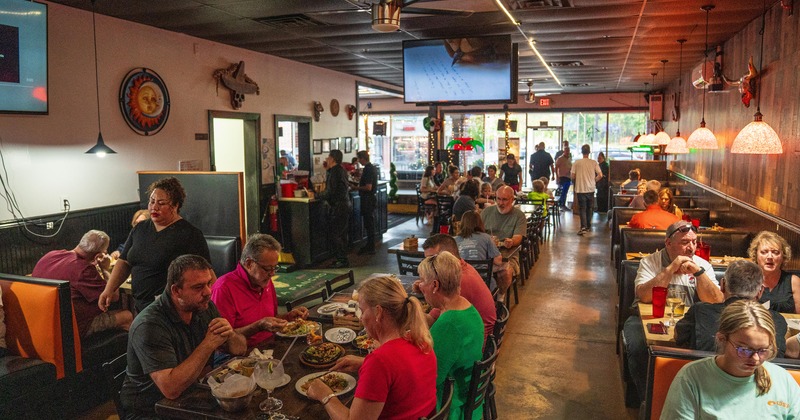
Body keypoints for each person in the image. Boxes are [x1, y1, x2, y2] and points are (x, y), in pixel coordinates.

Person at [120, 255, 247, 418]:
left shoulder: (203, 306)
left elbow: (240, 349)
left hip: (189, 398)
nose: (208, 292)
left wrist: (229, 333)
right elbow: (171, 390)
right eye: (198, 287)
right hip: (150, 410)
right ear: (175, 290)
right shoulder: (149, 325)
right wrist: (209, 344)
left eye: (209, 283)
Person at [306, 276, 437, 419]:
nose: (361, 318)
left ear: (378, 312)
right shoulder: (421, 340)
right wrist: (363, 363)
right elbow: (402, 372)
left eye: (362, 311)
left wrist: (325, 395)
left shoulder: (380, 361)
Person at [623, 220, 723, 403]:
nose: (691, 248)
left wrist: (699, 273)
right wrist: (670, 269)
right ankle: (650, 401)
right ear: (668, 243)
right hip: (646, 319)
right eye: (685, 242)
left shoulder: (703, 265)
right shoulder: (650, 262)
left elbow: (717, 302)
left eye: (694, 242)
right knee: (637, 346)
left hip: (688, 323)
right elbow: (644, 296)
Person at [661, 300, 800, 418]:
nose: (756, 359)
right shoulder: (691, 378)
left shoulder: (783, 380)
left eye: (763, 350)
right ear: (722, 340)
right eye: (745, 350)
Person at [99, 177, 210, 313]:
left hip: (170, 307)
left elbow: (206, 273)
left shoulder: (190, 234)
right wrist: (109, 289)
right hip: (140, 303)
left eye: (161, 203)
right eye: (152, 202)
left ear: (175, 206)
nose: (154, 207)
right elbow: (124, 261)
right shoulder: (140, 228)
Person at [32, 230, 133, 343]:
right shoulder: (83, 269)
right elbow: (113, 296)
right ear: (98, 256)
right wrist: (105, 269)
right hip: (73, 327)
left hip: (41, 323)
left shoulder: (50, 255)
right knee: (127, 316)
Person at [416, 251, 484, 420]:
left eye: (423, 281)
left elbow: (428, 379)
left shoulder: (449, 324)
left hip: (452, 407)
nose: (419, 286)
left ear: (435, 285)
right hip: (469, 396)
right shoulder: (464, 306)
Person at [211, 234, 309, 347]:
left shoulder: (264, 280)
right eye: (267, 269)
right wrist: (258, 326)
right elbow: (221, 340)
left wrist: (287, 317)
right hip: (240, 356)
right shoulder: (224, 288)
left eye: (275, 268)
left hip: (271, 344)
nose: (272, 274)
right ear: (249, 263)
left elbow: (271, 319)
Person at [676, 260, 788, 356]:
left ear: (723, 285)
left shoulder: (699, 311)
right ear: (760, 292)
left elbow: (678, 337)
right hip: (763, 380)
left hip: (705, 378)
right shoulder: (777, 320)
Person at [420, 233, 497, 340]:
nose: (426, 264)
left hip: (475, 342)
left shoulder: (458, 281)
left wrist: (407, 310)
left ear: (448, 256)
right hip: (473, 335)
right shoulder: (461, 268)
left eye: (432, 260)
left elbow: (431, 321)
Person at [481, 185, 527, 302]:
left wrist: (511, 241)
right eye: (498, 199)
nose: (501, 203)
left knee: (505, 271)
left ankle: (500, 297)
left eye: (505, 199)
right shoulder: (486, 212)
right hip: (485, 253)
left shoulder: (519, 216)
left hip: (508, 254)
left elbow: (518, 237)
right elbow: (477, 232)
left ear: (512, 200)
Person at [749, 231, 800, 313]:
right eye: (764, 252)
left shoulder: (793, 281)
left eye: (775, 252)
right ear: (756, 255)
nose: (769, 257)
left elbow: (798, 318)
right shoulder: (746, 280)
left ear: (783, 256)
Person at [319, 149, 352, 268]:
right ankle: (340, 258)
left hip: (339, 206)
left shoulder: (335, 172)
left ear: (332, 159)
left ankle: (342, 260)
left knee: (336, 234)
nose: (327, 159)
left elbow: (330, 192)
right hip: (345, 205)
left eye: (328, 157)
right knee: (341, 233)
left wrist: (317, 195)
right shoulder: (341, 170)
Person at [570, 144, 602, 235]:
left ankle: (583, 227)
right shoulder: (593, 162)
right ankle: (588, 226)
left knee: (582, 208)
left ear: (581, 151)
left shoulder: (576, 162)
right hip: (591, 188)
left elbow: (572, 175)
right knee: (590, 208)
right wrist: (594, 180)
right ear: (589, 152)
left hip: (580, 188)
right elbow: (600, 175)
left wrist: (577, 179)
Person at [354, 150, 378, 255]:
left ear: (363, 158)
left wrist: (355, 187)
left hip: (367, 199)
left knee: (368, 223)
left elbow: (368, 187)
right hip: (370, 199)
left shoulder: (368, 169)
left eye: (359, 159)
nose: (359, 161)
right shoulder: (371, 168)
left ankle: (370, 246)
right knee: (369, 223)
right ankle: (370, 245)